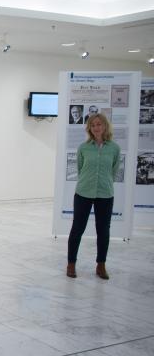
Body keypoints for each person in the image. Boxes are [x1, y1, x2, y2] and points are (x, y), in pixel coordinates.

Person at [66, 113, 120, 280]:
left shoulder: (114, 148)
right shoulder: (83, 148)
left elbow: (114, 170)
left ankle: (101, 265)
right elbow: (81, 169)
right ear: (89, 128)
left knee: (103, 231)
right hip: (83, 192)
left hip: (105, 194)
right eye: (93, 125)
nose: (96, 127)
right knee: (77, 229)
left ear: (105, 126)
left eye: (99, 124)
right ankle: (71, 264)